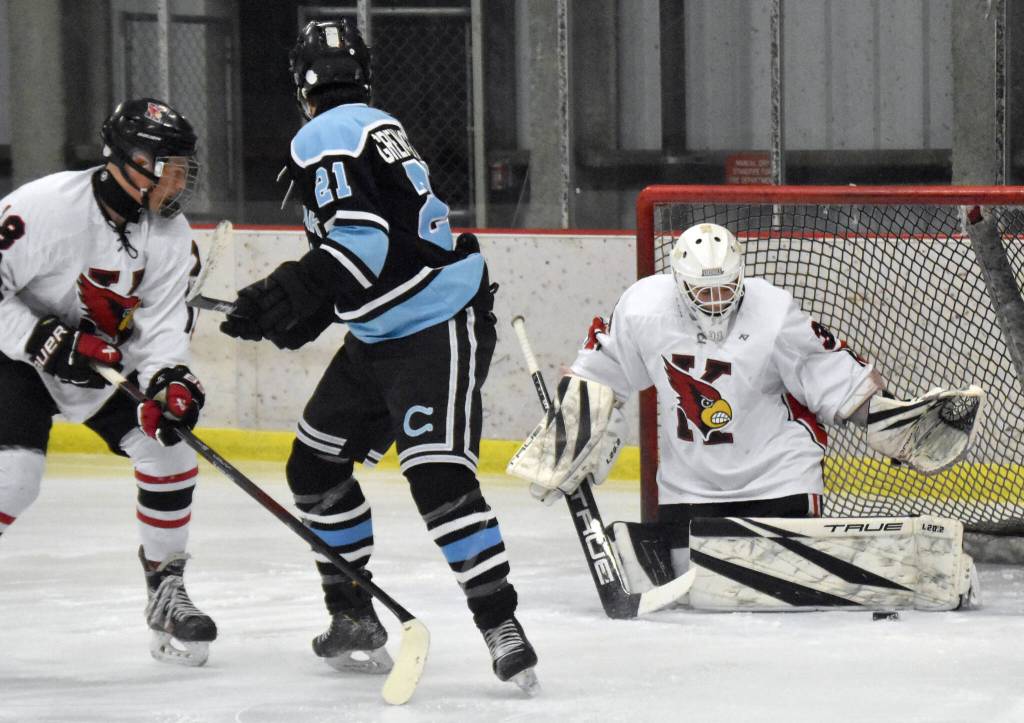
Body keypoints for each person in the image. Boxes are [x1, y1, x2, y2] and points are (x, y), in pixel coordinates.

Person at [219, 20, 538, 692]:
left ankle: (499, 624)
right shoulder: (372, 124)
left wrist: (286, 289)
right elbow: (373, 257)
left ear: (302, 84)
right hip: (382, 332)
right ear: (360, 73)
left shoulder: (322, 135)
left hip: (435, 322)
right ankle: (355, 614)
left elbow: (360, 247)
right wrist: (296, 311)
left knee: (437, 475)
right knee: (315, 462)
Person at [509, 222, 983, 590]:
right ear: (679, 282)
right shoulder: (642, 309)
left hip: (778, 473)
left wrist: (886, 420)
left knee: (796, 578)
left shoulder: (773, 310)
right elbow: (599, 375)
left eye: (725, 288)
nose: (716, 302)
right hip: (689, 484)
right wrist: (572, 433)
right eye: (703, 291)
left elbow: (829, 374)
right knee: (689, 585)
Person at [0, 98, 216, 666]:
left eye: (182, 169)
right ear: (126, 160)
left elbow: (162, 326)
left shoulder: (169, 234)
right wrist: (42, 339)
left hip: (96, 359)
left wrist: (169, 379)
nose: (177, 180)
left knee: (167, 451)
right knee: (14, 478)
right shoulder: (42, 209)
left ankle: (165, 591)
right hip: (13, 357)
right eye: (166, 166)